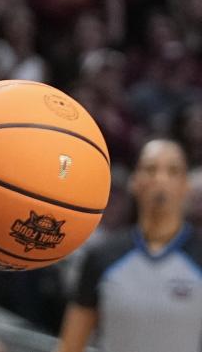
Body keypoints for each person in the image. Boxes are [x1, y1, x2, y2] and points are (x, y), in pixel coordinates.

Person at [54, 138, 202, 352]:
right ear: (134, 181)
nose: (161, 179)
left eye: (173, 171)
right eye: (151, 170)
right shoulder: (101, 257)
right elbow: (70, 346)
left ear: (186, 185)